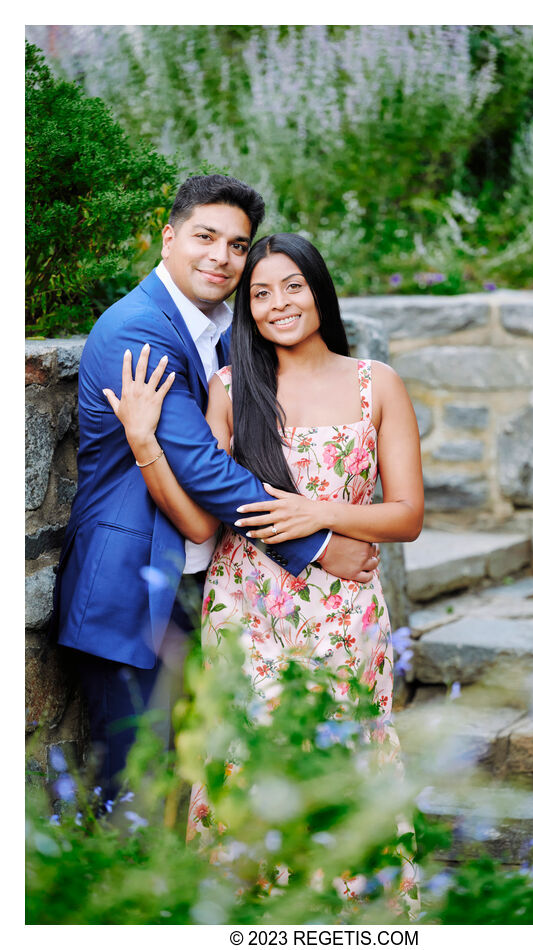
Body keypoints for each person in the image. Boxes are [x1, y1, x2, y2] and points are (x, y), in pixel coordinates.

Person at [51, 177, 380, 804]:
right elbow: (204, 467)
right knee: (137, 792)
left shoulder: (229, 329)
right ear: (169, 237)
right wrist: (314, 545)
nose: (221, 257)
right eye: (205, 237)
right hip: (133, 585)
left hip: (209, 582)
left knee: (202, 785)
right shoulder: (139, 329)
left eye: (237, 245)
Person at [104, 233, 425, 836]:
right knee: (247, 762)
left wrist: (321, 514)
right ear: (247, 308)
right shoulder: (230, 387)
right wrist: (145, 444)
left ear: (318, 292)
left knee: (339, 757)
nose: (278, 303)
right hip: (246, 608)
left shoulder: (376, 383)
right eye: (259, 293)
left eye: (293, 287)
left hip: (342, 609)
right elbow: (201, 521)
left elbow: (407, 514)